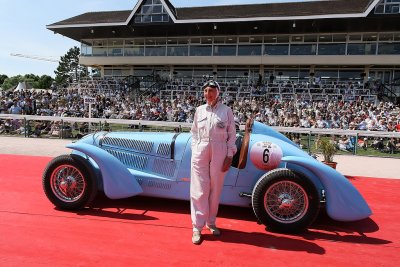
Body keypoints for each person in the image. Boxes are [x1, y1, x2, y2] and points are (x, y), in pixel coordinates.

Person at [190, 80, 237, 245]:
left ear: (218, 92)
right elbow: (194, 132)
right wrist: (196, 148)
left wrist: (230, 155)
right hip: (201, 149)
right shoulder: (199, 110)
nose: (208, 94)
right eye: (205, 91)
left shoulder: (226, 111)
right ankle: (197, 228)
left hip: (220, 150)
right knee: (199, 189)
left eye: (211, 91)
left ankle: (211, 222)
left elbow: (232, 135)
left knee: (215, 188)